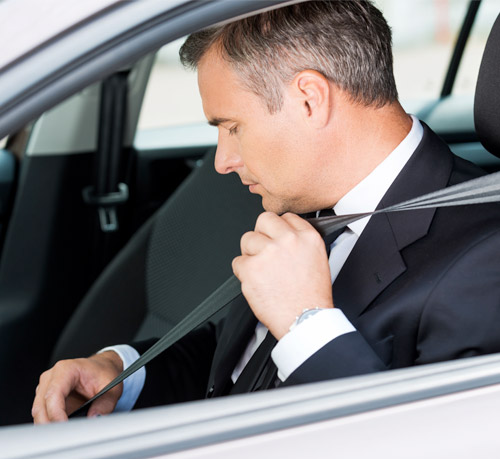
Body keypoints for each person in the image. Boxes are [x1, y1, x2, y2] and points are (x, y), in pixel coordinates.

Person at [32, 0, 500, 424]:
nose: (222, 161)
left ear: (309, 99)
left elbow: (429, 448)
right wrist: (121, 372)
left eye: (233, 127)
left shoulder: (485, 263)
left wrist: (305, 323)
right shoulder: (310, 199)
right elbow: (240, 365)